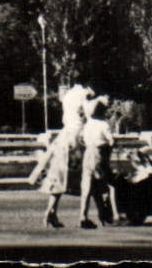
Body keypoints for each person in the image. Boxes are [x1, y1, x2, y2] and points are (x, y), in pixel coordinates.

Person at [30, 84, 92, 228]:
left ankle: (51, 211)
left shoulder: (68, 95)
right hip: (77, 137)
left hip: (65, 136)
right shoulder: (85, 95)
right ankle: (84, 216)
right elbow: (88, 115)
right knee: (87, 176)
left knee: (60, 177)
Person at [77, 94, 115, 228]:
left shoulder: (88, 124)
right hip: (99, 155)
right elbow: (111, 141)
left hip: (88, 154)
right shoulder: (103, 124)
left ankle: (83, 216)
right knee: (103, 185)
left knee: (87, 186)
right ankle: (107, 214)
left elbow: (81, 139)